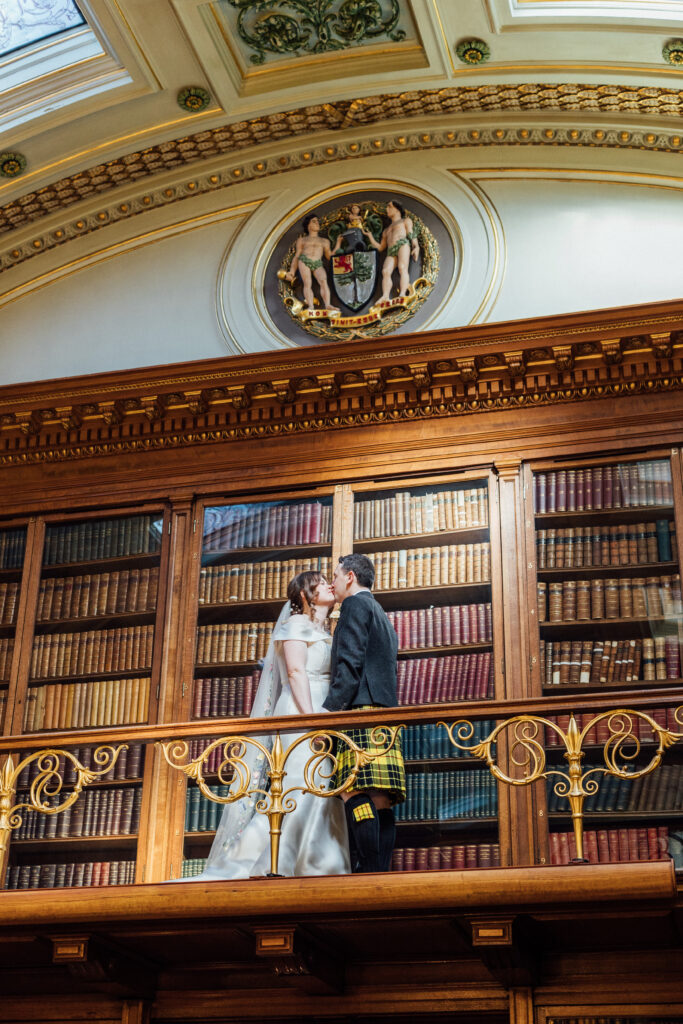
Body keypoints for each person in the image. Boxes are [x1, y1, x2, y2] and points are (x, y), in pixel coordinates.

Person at [194, 571, 350, 879]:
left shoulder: (328, 629)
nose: (329, 584)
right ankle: (279, 862)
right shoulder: (295, 625)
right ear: (306, 594)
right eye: (321, 581)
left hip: (323, 709)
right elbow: (295, 673)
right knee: (300, 786)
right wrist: (312, 721)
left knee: (321, 785)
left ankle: (318, 862)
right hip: (300, 710)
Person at [323, 553, 406, 873]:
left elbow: (350, 663)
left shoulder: (355, 606)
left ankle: (369, 870)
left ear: (350, 577)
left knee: (351, 789)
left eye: (335, 575)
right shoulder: (379, 610)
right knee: (380, 799)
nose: (332, 582)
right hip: (382, 713)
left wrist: (329, 711)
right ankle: (381, 872)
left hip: (361, 709)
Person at [361, 200, 420, 303]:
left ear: (397, 209)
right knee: (385, 271)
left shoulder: (405, 221)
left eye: (389, 207)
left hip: (402, 244)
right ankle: (385, 296)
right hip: (390, 250)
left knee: (402, 268)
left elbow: (411, 233)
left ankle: (402, 293)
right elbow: (380, 248)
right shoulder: (386, 230)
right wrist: (370, 236)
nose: (387, 209)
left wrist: (416, 246)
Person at [284, 213, 342, 312]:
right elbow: (297, 256)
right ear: (308, 225)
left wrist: (338, 243)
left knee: (323, 281)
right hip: (304, 260)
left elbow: (329, 256)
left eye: (317, 222)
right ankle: (311, 306)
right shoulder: (302, 240)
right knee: (307, 283)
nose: (317, 223)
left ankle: (327, 305)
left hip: (318, 263)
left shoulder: (324, 241)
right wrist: (292, 271)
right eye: (314, 222)